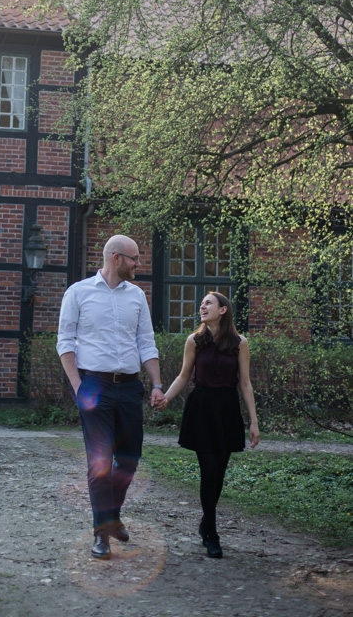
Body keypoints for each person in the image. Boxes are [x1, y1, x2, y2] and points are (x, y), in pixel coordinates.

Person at [57, 234, 164, 560]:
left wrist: (157, 383)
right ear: (116, 258)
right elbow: (65, 342)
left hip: (130, 387)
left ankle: (112, 512)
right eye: (134, 258)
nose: (138, 264)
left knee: (129, 459)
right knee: (100, 463)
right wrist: (78, 386)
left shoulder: (137, 297)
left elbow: (146, 342)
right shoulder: (78, 293)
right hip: (94, 388)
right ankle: (102, 532)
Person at [158, 291, 260, 558]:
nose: (202, 306)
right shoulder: (194, 341)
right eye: (202, 303)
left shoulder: (240, 343)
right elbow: (183, 376)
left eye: (208, 303)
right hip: (201, 408)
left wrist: (254, 422)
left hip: (227, 409)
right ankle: (212, 534)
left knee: (220, 473)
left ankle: (205, 523)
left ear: (223, 310)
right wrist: (166, 398)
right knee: (209, 470)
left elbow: (245, 383)